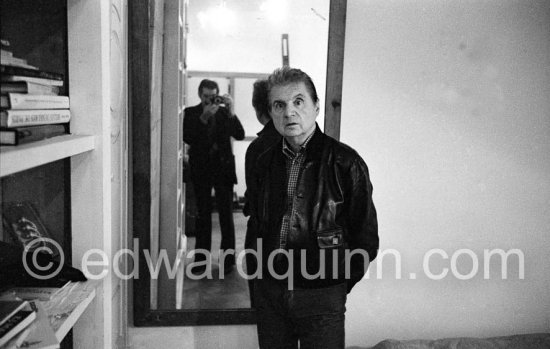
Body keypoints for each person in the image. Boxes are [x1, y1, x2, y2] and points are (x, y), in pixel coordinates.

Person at [247, 67, 379, 348]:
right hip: (270, 292)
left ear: (316, 106)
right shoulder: (263, 161)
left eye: (298, 102)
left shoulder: (346, 162)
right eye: (279, 105)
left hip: (322, 296)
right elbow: (256, 225)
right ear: (271, 113)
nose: (289, 113)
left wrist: (336, 287)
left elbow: (366, 238)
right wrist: (258, 281)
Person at [183, 79, 245, 274]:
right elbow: (187, 137)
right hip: (201, 169)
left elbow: (241, 134)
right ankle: (201, 262)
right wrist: (202, 118)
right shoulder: (191, 113)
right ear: (200, 95)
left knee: (226, 215)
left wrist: (232, 110)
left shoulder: (225, 113)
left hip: (223, 169)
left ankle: (228, 261)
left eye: (214, 96)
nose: (211, 100)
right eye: (206, 96)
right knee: (203, 215)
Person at [243, 79, 281, 306]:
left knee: (264, 310)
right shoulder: (305, 141)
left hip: (263, 239)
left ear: (260, 110)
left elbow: (255, 197)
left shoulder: (258, 148)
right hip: (301, 244)